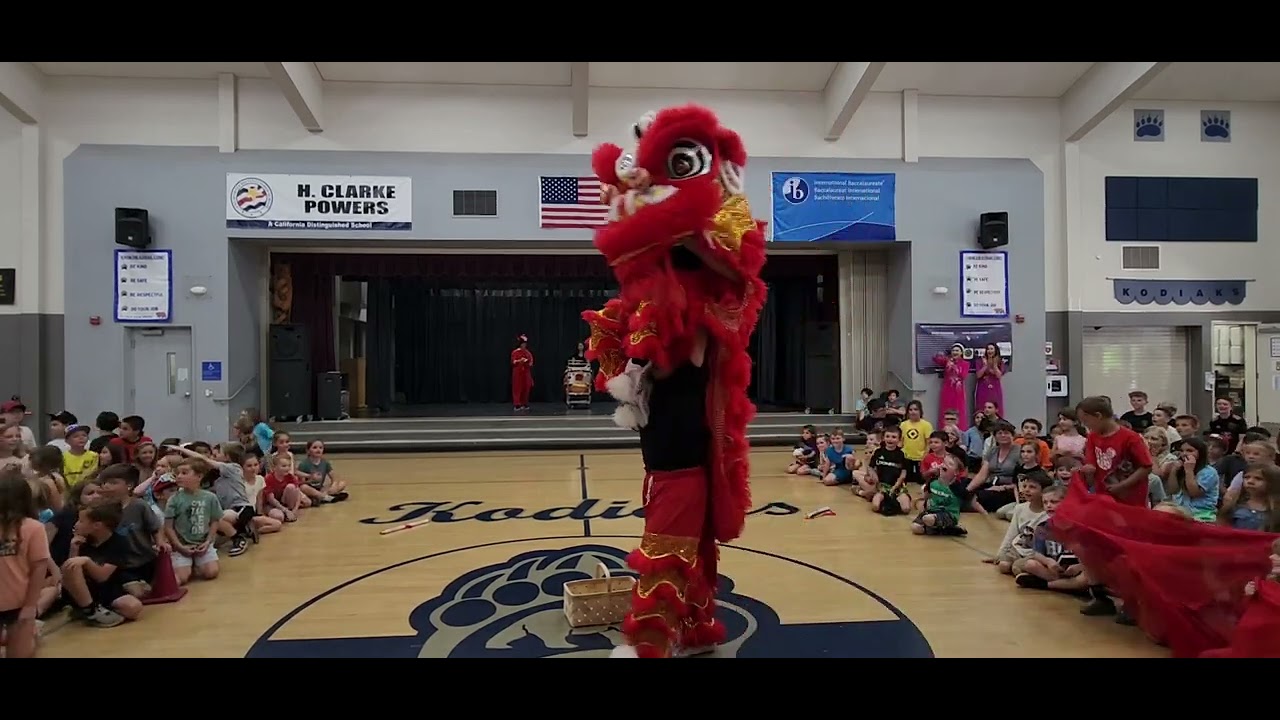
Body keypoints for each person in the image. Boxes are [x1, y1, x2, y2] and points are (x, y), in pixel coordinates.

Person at [582, 105, 767, 659]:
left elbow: (734, 258)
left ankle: (652, 642)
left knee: (670, 540)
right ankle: (693, 629)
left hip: (682, 446)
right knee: (689, 538)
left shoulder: (700, 327)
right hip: (671, 437)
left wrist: (705, 210)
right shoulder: (645, 321)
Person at [510, 335, 534, 411]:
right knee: (517, 388)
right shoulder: (515, 352)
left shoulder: (528, 353)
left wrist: (527, 362)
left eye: (525, 344)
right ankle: (517, 404)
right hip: (518, 372)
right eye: (523, 343)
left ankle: (525, 403)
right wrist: (519, 361)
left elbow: (531, 362)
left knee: (526, 387)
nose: (524, 345)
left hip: (526, 372)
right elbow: (513, 362)